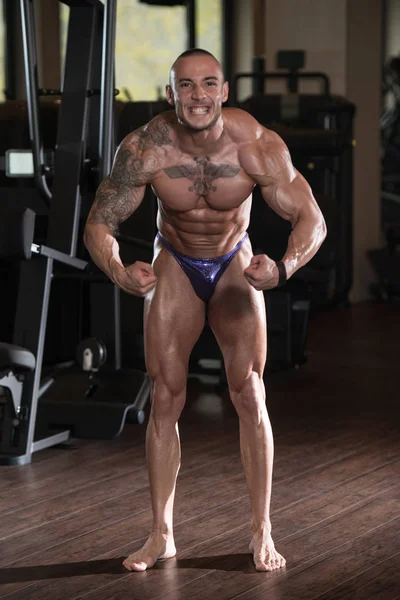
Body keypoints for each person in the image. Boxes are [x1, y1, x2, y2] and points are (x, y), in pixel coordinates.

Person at [84, 48, 327, 572]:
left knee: (249, 392)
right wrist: (121, 271)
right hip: (175, 260)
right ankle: (161, 534)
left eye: (208, 84)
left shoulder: (256, 145)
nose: (198, 95)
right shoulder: (146, 147)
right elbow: (98, 224)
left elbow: (312, 219)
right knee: (166, 397)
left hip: (233, 262)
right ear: (170, 94)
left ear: (223, 91)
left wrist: (283, 268)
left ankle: (261, 529)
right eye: (186, 86)